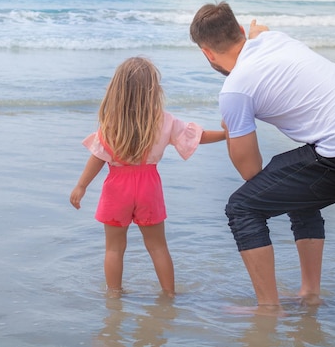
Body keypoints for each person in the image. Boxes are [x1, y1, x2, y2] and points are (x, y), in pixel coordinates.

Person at [189, 2, 335, 311]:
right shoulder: (273, 40)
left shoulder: (235, 89)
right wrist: (256, 29)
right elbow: (262, 29)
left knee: (242, 207)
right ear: (240, 32)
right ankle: (309, 293)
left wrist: (232, 129)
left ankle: (268, 307)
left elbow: (251, 171)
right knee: (295, 189)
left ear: (207, 52)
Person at [70, 56, 225, 298]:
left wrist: (81, 186)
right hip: (148, 186)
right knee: (157, 246)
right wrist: (227, 134)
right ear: (153, 90)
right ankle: (169, 294)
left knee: (114, 248)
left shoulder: (111, 124)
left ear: (117, 89)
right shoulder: (163, 120)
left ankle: (114, 294)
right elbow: (198, 137)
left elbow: (98, 157)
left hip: (116, 187)